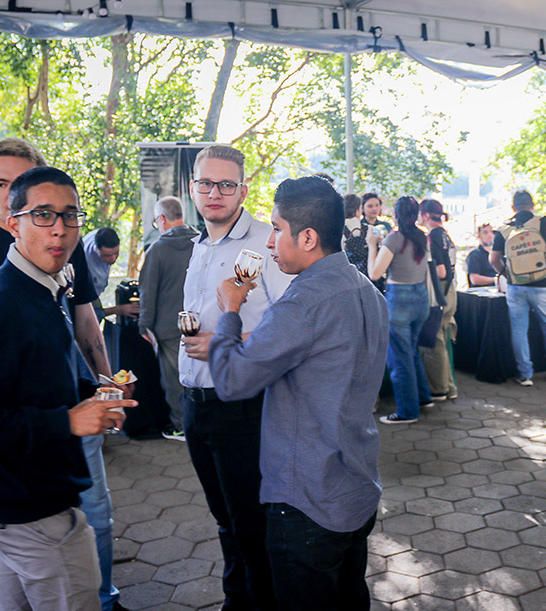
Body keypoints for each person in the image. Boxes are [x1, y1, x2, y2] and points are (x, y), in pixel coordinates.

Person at [0, 138, 129, 611]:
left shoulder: (42, 287)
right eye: (42, 215)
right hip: (28, 505)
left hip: (27, 498)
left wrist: (93, 392)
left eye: (69, 215)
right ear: (13, 222)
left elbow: (40, 373)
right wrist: (68, 420)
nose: (58, 229)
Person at [210, 175, 387, 610]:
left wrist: (230, 310)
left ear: (307, 237)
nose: (270, 242)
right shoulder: (367, 290)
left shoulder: (303, 302)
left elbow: (231, 381)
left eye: (276, 228)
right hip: (356, 487)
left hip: (307, 501)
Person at [180, 144, 291, 609]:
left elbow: (293, 328)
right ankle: (236, 600)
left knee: (251, 527)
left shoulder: (267, 242)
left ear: (243, 191)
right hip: (194, 403)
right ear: (193, 188)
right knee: (225, 521)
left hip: (243, 408)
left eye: (226, 185)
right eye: (206, 183)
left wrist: (229, 342)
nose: (215, 193)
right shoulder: (199, 244)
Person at [489, 189, 546, 386]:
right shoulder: (544, 223)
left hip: (516, 287)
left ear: (513, 207)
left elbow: (493, 259)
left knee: (519, 329)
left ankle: (525, 375)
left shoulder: (504, 229)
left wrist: (508, 275)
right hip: (543, 284)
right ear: (533, 205)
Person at [368, 196, 434, 423]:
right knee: (411, 351)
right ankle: (423, 397)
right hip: (421, 299)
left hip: (400, 301)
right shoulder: (422, 236)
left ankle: (407, 411)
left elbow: (375, 273)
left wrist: (372, 245)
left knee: (399, 358)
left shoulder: (394, 238)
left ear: (396, 214)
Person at [138, 196, 199, 441]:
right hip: (201, 323)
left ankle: (182, 426)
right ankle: (201, 423)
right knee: (201, 376)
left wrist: (144, 325)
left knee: (174, 380)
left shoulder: (158, 249)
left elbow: (147, 292)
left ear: (162, 219)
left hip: (169, 327)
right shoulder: (201, 242)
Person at [418, 198, 458, 401]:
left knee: (435, 342)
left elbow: (441, 271)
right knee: (441, 338)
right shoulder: (445, 235)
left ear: (425, 215)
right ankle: (449, 387)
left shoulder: (432, 236)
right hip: (450, 291)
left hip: (440, 291)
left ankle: (439, 389)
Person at [84, 227, 139, 322]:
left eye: (116, 253)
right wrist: (117, 310)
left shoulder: (101, 235)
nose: (113, 259)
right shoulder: (85, 269)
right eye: (107, 256)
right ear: (96, 250)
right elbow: (88, 314)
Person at [361, 192, 392, 292]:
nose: (374, 209)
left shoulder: (386, 226)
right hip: (364, 267)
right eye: (370, 206)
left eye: (377, 205)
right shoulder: (359, 226)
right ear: (362, 208)